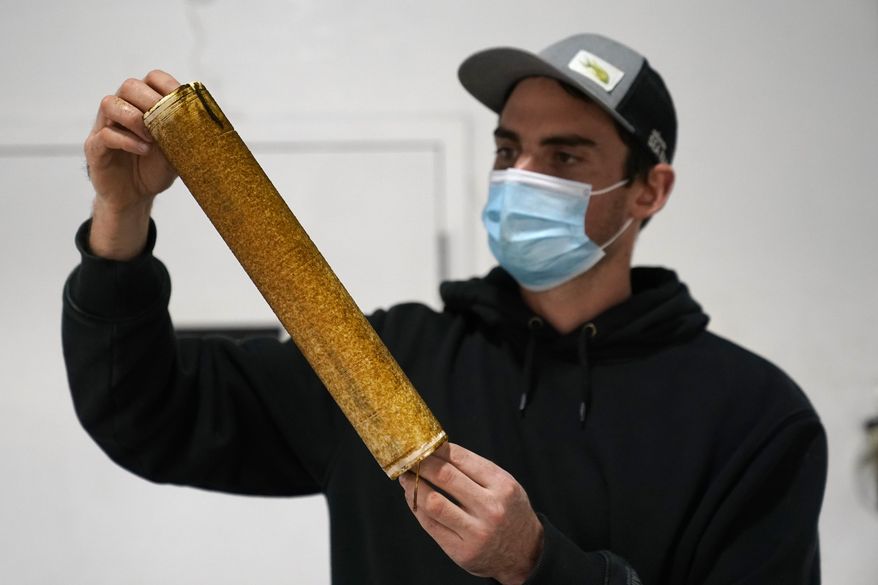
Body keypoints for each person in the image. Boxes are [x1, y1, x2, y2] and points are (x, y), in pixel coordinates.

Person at [63, 33, 827, 584]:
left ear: (648, 190)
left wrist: (539, 564)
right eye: (507, 149)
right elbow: (146, 411)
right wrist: (119, 220)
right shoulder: (385, 360)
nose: (520, 176)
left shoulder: (752, 418)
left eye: (564, 156)